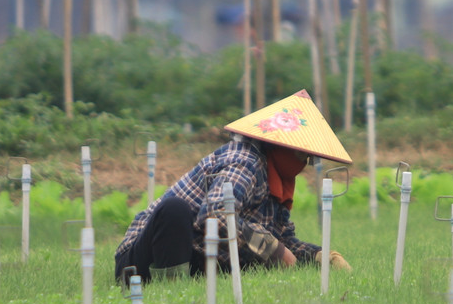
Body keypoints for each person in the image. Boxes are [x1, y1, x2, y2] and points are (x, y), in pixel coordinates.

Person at [115, 90, 353, 283]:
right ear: (281, 146)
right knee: (174, 209)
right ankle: (172, 289)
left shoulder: (276, 180)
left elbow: (284, 239)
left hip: (195, 255)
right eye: (303, 157)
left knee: (253, 257)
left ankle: (184, 282)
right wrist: (272, 249)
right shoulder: (245, 163)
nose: (304, 165)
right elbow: (216, 216)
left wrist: (320, 255)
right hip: (142, 258)